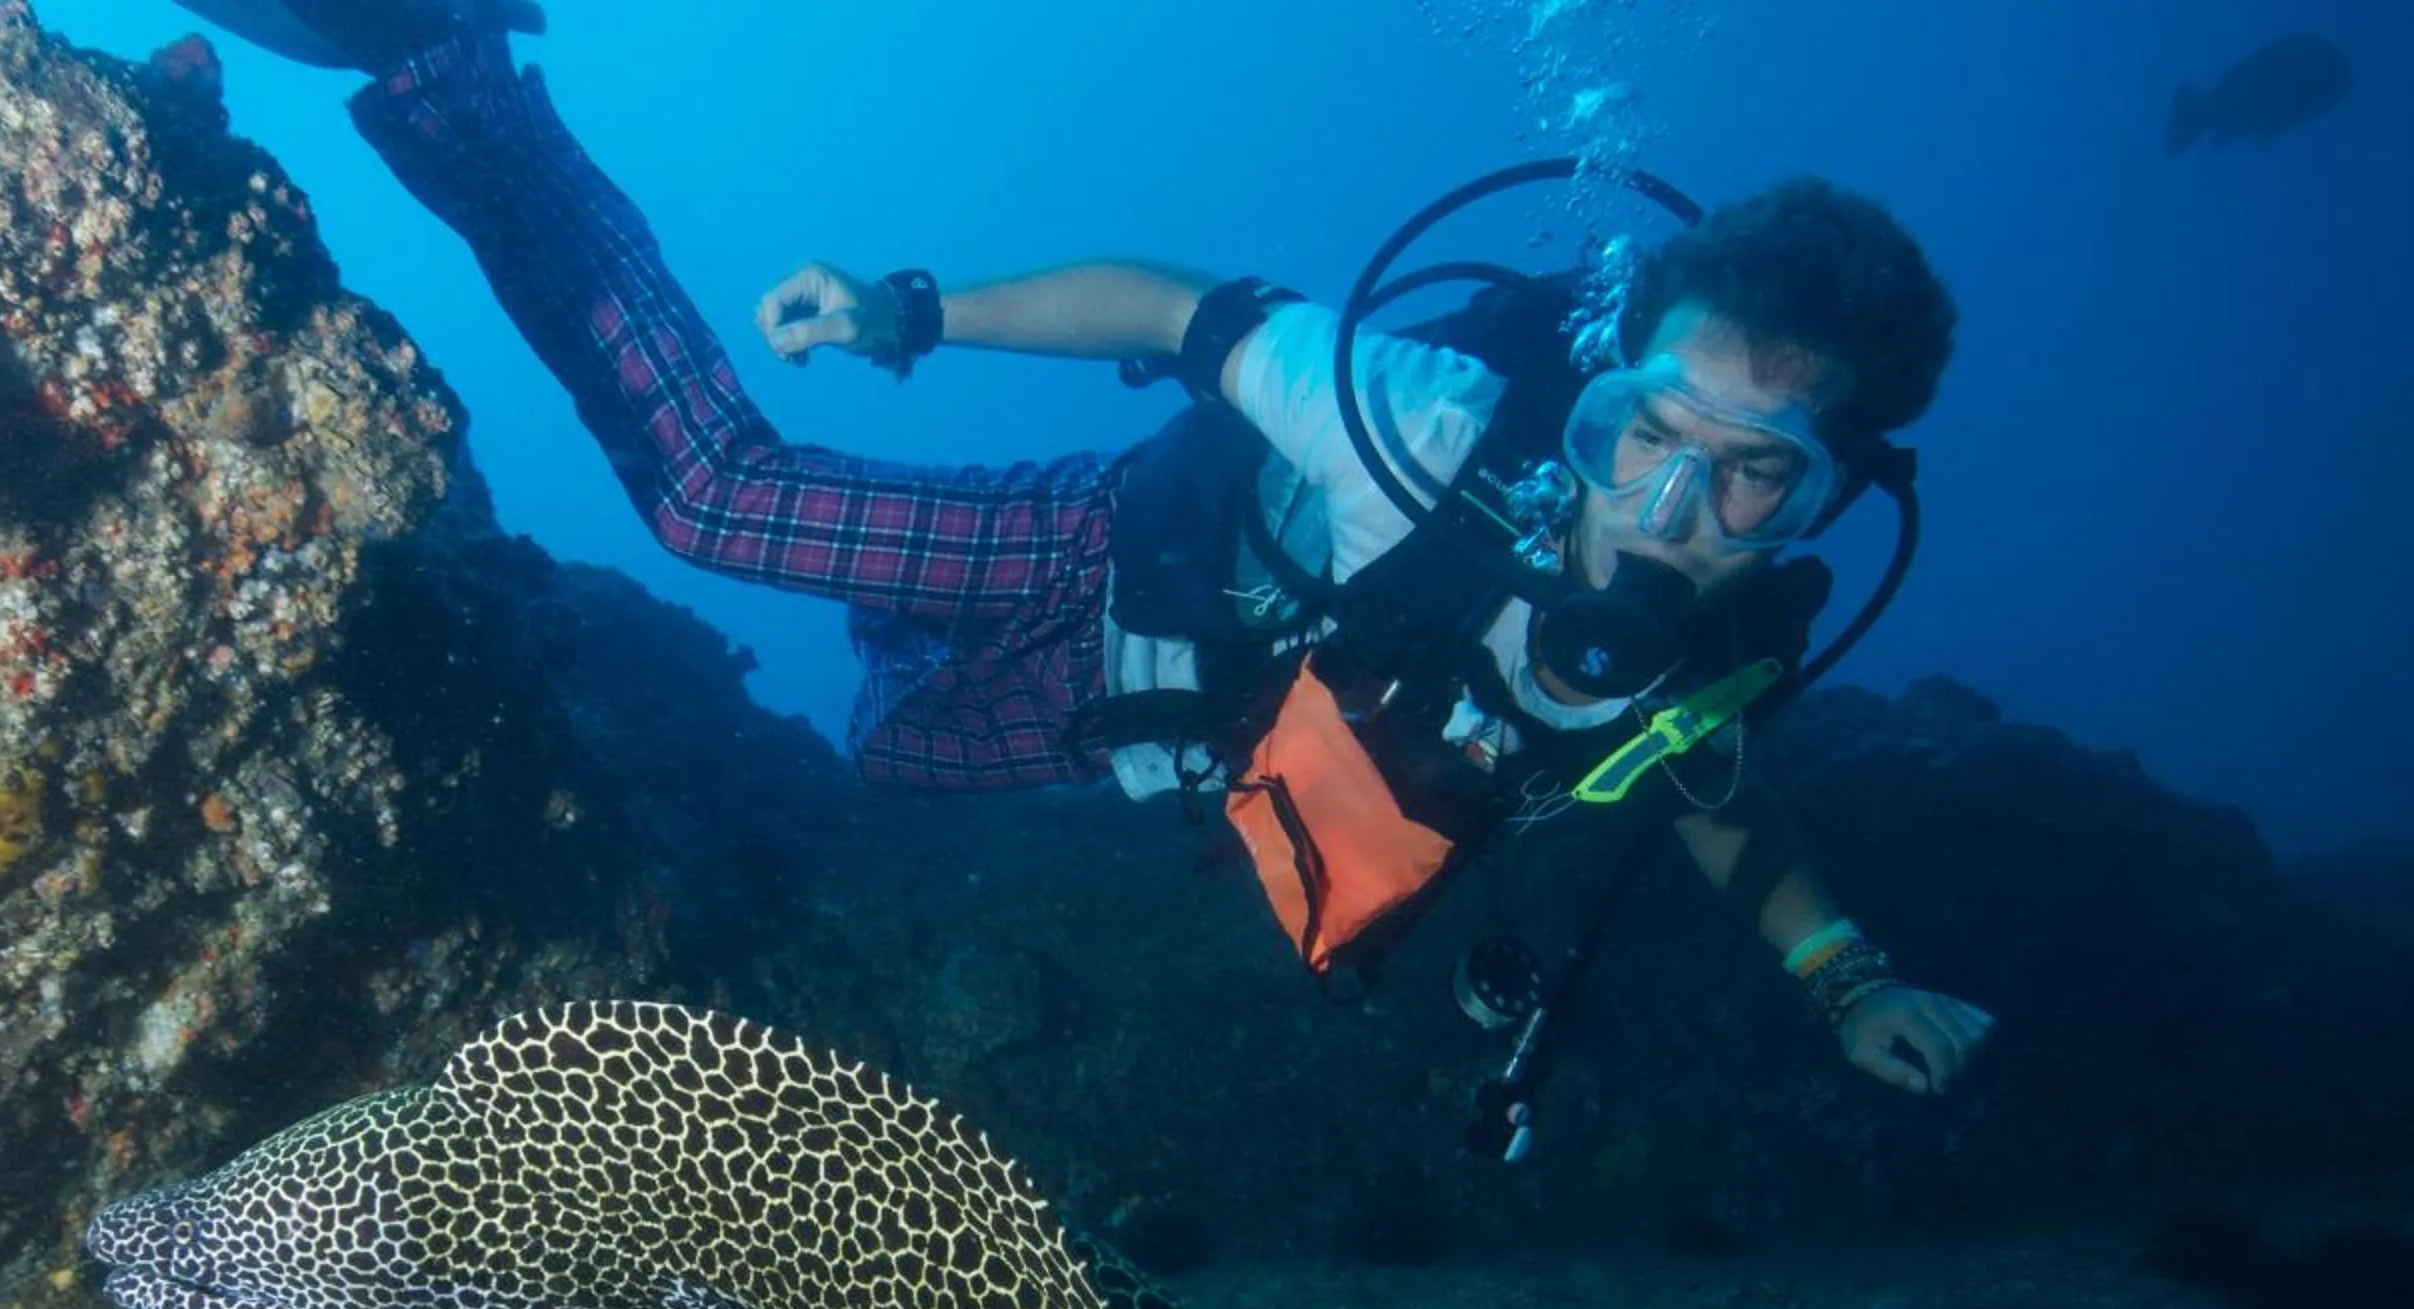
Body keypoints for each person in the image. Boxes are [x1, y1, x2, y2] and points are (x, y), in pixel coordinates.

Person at [173, 0, 1995, 1112]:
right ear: (1599, 390)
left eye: (1757, 482)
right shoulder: (1436, 417)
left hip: (1138, 718)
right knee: (718, 501)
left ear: (1833, 495)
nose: (1669, 511)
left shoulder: (1711, 653)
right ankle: (448, 67)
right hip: (1097, 536)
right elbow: (1179, 305)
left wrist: (1850, 979)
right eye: (1643, 438)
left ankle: (886, 608)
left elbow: (1719, 802)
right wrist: (912, 307)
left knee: (883, 751)